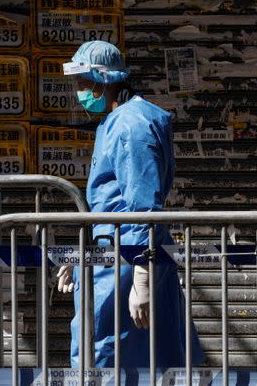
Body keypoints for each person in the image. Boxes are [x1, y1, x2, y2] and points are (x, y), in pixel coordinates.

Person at [56, 41, 204, 368]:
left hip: (126, 254)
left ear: (104, 79)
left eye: (84, 82)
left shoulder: (130, 125)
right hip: (119, 249)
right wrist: (84, 251)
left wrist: (141, 271)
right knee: (151, 350)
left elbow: (140, 203)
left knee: (106, 352)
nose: (80, 91)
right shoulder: (121, 120)